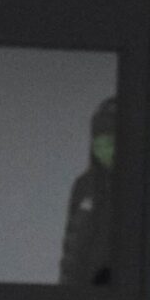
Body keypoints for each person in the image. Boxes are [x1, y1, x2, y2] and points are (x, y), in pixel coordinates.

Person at [59, 97, 116, 285]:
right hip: (84, 289)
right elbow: (72, 244)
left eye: (109, 142)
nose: (103, 150)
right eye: (98, 144)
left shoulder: (137, 187)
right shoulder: (85, 186)